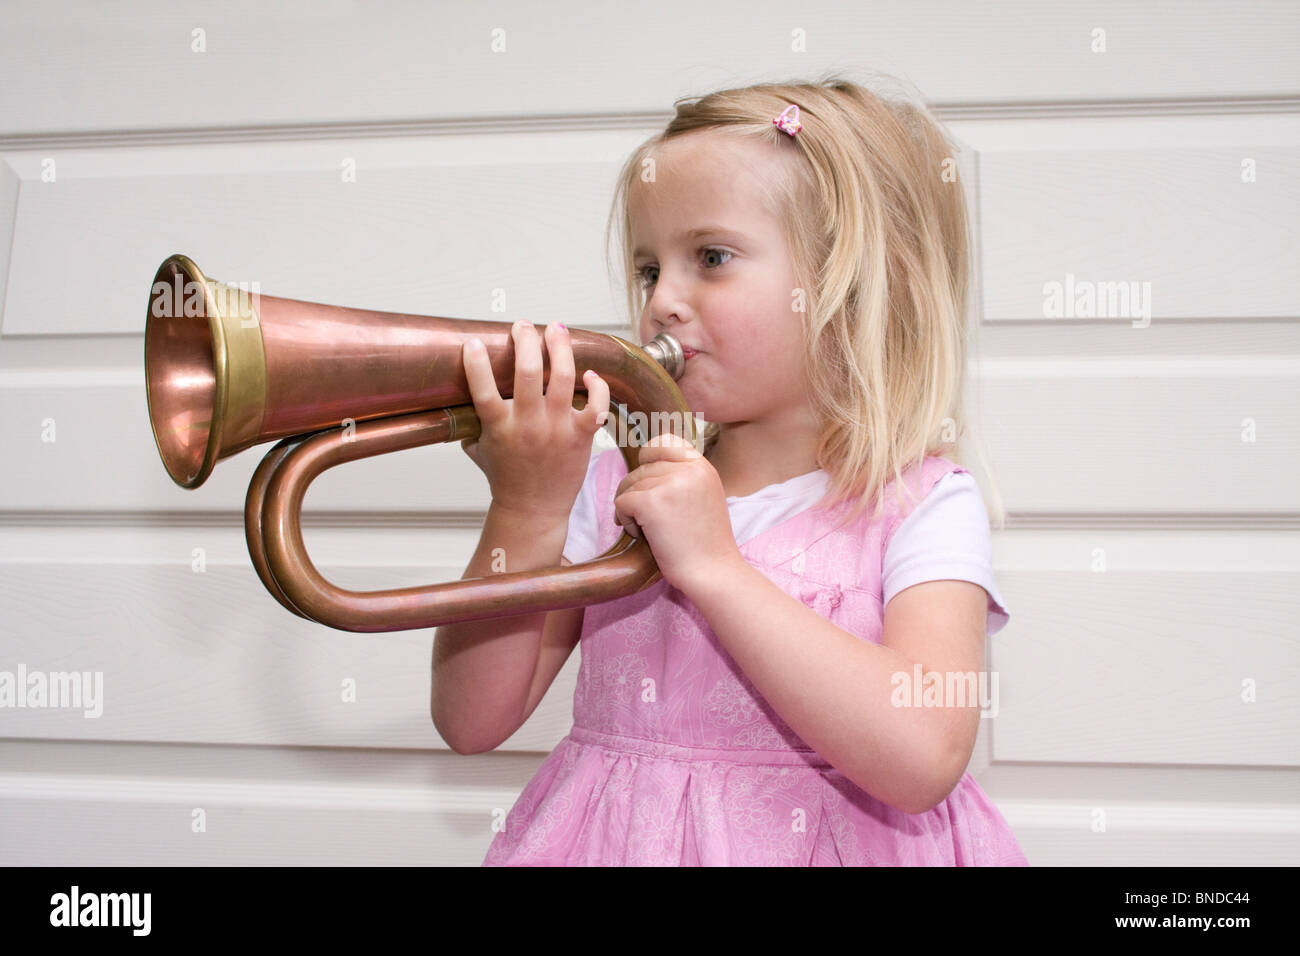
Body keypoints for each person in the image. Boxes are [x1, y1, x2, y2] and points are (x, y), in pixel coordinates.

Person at [432, 72, 1029, 866]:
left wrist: (716, 567)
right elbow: (472, 720)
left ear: (851, 289)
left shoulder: (921, 506)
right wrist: (526, 508)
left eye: (710, 257)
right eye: (649, 269)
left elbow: (923, 755)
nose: (661, 302)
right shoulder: (613, 489)